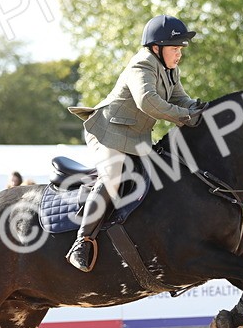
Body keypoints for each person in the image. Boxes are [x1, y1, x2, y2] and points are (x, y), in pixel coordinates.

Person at [64, 14, 205, 271]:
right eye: (175, 48)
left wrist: (202, 109)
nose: (179, 54)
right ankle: (81, 243)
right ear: (156, 48)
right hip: (107, 131)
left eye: (180, 49)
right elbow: (147, 101)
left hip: (136, 137)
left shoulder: (170, 70)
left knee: (164, 175)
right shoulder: (142, 64)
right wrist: (186, 117)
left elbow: (180, 99)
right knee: (113, 176)